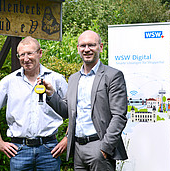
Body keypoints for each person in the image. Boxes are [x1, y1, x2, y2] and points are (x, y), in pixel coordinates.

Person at [45, 30, 128, 171]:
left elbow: (119, 116)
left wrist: (105, 148)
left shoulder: (113, 76)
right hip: (77, 148)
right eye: (83, 46)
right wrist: (52, 94)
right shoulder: (73, 78)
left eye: (91, 45)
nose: (87, 49)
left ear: (101, 47)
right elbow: (67, 112)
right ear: (78, 49)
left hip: (99, 146)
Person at [0, 36, 68, 171]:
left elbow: (73, 111)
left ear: (40, 53)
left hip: (49, 149)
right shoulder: (9, 81)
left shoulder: (56, 79)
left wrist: (67, 138)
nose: (26, 58)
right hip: (19, 150)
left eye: (30, 53)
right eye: (22, 55)